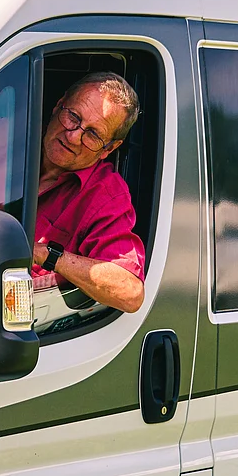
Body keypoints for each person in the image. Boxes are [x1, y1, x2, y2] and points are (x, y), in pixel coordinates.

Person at [29, 74, 145, 314]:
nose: (73, 136)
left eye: (93, 134)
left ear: (109, 148)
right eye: (73, 117)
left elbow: (129, 292)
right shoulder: (3, 136)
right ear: (58, 104)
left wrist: (46, 254)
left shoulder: (106, 195)